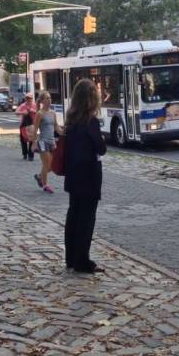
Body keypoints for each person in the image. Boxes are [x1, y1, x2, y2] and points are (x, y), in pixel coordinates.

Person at [64, 79, 106, 274]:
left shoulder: (70, 120)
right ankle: (82, 259)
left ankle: (71, 257)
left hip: (73, 173)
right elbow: (101, 148)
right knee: (86, 219)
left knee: (73, 215)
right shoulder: (91, 122)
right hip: (89, 175)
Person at [31, 91, 62, 193]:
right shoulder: (39, 114)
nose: (49, 100)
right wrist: (34, 142)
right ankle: (45, 185)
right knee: (46, 164)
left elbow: (56, 127)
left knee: (52, 166)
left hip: (52, 142)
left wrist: (63, 133)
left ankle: (40, 176)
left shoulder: (53, 113)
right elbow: (35, 129)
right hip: (42, 142)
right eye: (47, 98)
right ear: (42, 101)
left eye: (50, 98)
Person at [15, 92, 36, 161]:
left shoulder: (34, 105)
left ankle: (31, 155)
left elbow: (39, 112)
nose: (28, 100)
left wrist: (31, 110)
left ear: (32, 99)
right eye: (27, 98)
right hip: (23, 126)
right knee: (23, 140)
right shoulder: (23, 105)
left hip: (32, 125)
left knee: (31, 141)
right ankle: (25, 154)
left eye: (29, 98)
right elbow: (16, 112)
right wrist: (23, 112)